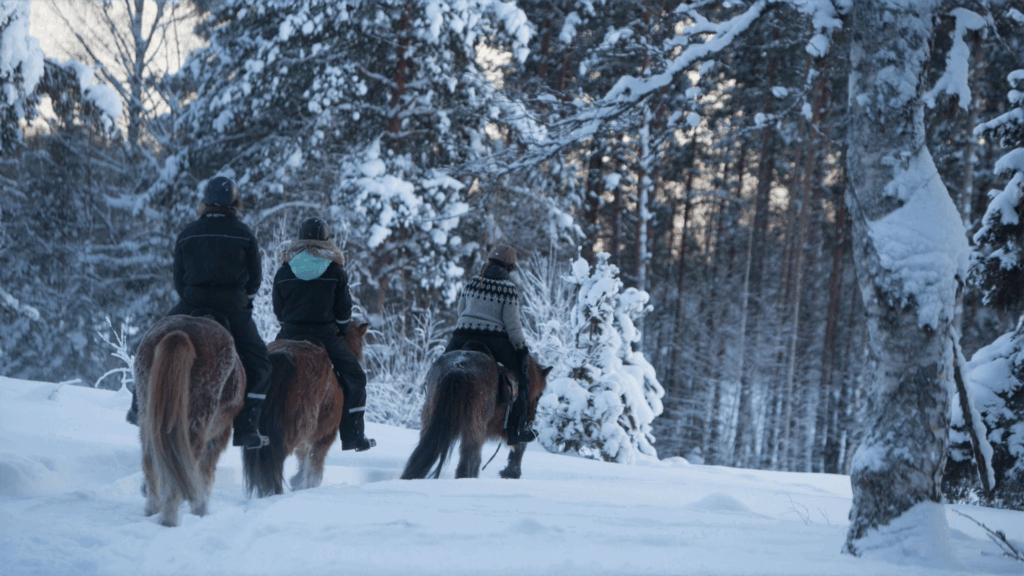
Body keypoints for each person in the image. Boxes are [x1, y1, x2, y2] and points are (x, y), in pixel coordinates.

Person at [127, 176, 272, 450]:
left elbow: (178, 279)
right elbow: (255, 280)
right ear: (235, 202)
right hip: (233, 306)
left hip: (191, 302)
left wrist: (191, 298)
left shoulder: (189, 232)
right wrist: (244, 304)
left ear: (204, 201)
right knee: (261, 364)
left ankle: (138, 406)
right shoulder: (244, 234)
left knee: (150, 343)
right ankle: (245, 428)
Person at [272, 217, 375, 452]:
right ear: (326, 241)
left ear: (299, 240)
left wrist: (290, 326)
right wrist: (338, 331)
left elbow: (278, 310)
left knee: (262, 371)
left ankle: (254, 426)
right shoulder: (335, 271)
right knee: (356, 378)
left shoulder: (285, 271)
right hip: (326, 335)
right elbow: (343, 314)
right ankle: (352, 436)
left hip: (289, 334)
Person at [444, 244, 536, 444]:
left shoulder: (472, 282)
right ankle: (516, 429)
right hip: (494, 340)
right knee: (522, 378)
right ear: (509, 267)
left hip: (461, 335)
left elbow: (461, 310)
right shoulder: (508, 289)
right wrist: (521, 349)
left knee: (440, 367)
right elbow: (512, 325)